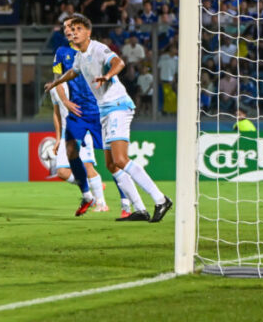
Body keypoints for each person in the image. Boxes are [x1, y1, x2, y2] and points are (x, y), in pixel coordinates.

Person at [46, 14, 172, 223]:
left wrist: (107, 75)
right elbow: (72, 72)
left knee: (121, 159)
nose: (74, 33)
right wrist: (55, 82)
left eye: (78, 29)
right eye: (72, 29)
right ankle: (140, 209)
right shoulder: (80, 56)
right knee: (112, 165)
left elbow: (119, 62)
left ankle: (160, 199)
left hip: (117, 107)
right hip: (105, 110)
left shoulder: (98, 48)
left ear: (88, 32)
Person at [52, 28, 132, 218]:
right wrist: (65, 101)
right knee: (67, 163)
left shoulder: (94, 50)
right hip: (79, 114)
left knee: (113, 161)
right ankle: (89, 195)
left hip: (99, 110)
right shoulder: (61, 53)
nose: (70, 32)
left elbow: (114, 63)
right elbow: (57, 79)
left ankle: (126, 204)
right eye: (67, 29)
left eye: (75, 28)